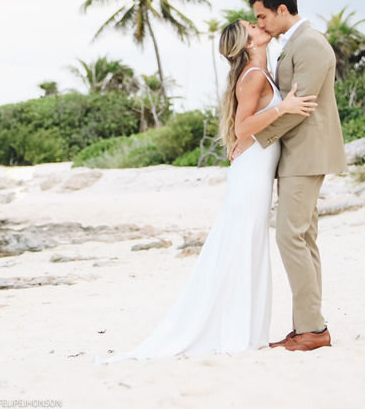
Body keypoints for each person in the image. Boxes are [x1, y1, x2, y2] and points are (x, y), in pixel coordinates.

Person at [98, 19, 317, 362]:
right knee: (242, 242)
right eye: (252, 27)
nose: (259, 26)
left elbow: (245, 127)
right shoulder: (254, 76)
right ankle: (235, 331)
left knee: (249, 243)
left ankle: (244, 329)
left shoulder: (261, 71)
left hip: (257, 168)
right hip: (252, 172)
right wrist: (283, 108)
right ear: (248, 43)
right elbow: (244, 128)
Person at [248, 0, 346, 352]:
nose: (260, 24)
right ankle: (309, 325)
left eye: (262, 16)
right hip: (296, 154)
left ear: (282, 10)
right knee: (303, 238)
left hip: (306, 154)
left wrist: (256, 139)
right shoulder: (292, 44)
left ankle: (312, 330)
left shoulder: (311, 44)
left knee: (289, 236)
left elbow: (300, 106)